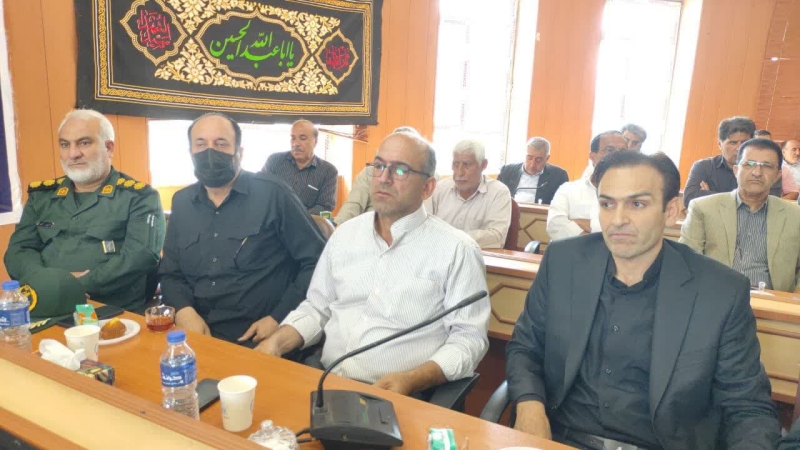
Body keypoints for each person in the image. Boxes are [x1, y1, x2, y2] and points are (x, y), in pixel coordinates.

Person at [507, 150, 780, 449]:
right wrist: (529, 406)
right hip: (561, 440)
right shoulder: (563, 262)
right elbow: (526, 347)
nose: (618, 220)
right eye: (607, 204)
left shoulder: (720, 292)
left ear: (671, 211)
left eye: (637, 204)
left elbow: (748, 408)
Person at [258, 131, 490, 396]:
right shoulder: (344, 235)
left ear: (427, 188)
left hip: (402, 393)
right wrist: (277, 342)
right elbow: (317, 308)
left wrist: (413, 379)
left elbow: (468, 340)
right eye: (379, 166)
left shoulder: (457, 250)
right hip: (325, 379)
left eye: (400, 170)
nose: (384, 178)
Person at [159, 113, 326, 345]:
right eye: (201, 144)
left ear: (240, 152)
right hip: (194, 334)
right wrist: (183, 310)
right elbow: (170, 273)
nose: (210, 152)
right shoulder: (182, 202)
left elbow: (317, 262)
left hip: (260, 337)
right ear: (190, 152)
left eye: (221, 144)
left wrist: (278, 317)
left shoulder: (273, 194)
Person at [4, 109, 165, 316]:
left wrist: (73, 285)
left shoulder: (139, 197)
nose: (73, 154)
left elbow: (139, 257)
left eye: (84, 143)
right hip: (43, 303)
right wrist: (48, 283)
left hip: (109, 310)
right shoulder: (42, 197)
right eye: (65, 144)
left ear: (109, 148)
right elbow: (18, 251)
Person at [680, 138, 800, 292]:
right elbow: (685, 262)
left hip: (774, 301)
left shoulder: (795, 216)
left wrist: (793, 300)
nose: (757, 172)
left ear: (777, 176)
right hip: (715, 297)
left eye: (767, 166)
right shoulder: (703, 208)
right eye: (749, 164)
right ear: (736, 170)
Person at [424, 139, 511, 248]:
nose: (459, 172)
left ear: (483, 165)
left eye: (467, 165)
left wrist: (451, 238)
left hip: (479, 256)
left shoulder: (498, 193)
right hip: (437, 252)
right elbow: (423, 227)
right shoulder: (438, 189)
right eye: (455, 164)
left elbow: (497, 237)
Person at [683, 117, 781, 208]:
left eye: (744, 142)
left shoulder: (765, 169)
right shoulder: (704, 166)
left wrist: (709, 196)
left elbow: (769, 204)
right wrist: (744, 200)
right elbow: (689, 199)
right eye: (733, 143)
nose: (739, 148)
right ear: (720, 144)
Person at [546, 131, 626, 241]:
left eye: (623, 152)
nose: (617, 156)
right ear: (592, 156)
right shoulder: (568, 189)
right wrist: (595, 240)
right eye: (610, 150)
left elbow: (626, 231)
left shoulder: (632, 194)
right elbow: (554, 225)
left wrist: (577, 223)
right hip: (570, 251)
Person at [335, 126, 420, 225]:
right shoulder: (369, 173)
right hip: (369, 229)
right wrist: (338, 228)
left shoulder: (423, 178)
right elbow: (352, 207)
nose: (384, 179)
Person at [261, 120, 338, 215]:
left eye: (303, 138)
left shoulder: (328, 171)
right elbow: (261, 190)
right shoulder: (275, 160)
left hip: (306, 222)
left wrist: (297, 218)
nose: (296, 144)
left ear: (315, 141)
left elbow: (325, 206)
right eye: (293, 138)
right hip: (272, 219)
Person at [497, 137, 568, 205]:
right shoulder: (507, 171)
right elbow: (496, 197)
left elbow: (562, 205)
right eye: (529, 158)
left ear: (547, 158)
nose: (532, 164)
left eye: (538, 160)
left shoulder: (559, 176)